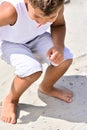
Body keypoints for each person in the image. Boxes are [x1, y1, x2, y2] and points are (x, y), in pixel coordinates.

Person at [0, 0, 73, 124]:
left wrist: (58, 46)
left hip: (37, 37)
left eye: (50, 17)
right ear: (27, 2)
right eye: (37, 16)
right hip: (9, 42)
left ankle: (47, 87)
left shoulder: (56, 7)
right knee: (32, 70)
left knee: (65, 59)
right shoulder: (10, 11)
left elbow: (58, 25)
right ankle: (11, 99)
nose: (42, 22)